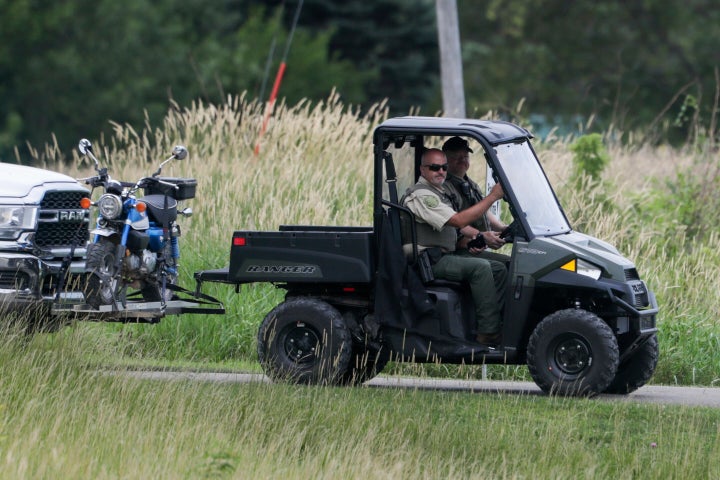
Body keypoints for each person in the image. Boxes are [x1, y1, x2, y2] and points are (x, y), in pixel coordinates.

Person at [402, 148, 507, 345]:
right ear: (422, 170)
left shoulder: (440, 193)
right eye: (434, 167)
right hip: (429, 260)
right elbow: (457, 220)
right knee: (481, 268)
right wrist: (492, 197)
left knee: (500, 268)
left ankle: (490, 323)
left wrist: (473, 240)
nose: (441, 171)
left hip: (444, 254)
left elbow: (450, 231)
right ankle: (488, 334)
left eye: (443, 167)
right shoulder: (423, 196)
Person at [442, 136, 510, 260]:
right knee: (502, 266)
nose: (462, 160)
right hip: (457, 248)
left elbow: (481, 209)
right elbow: (453, 222)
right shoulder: (443, 187)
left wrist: (501, 228)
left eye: (465, 156)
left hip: (474, 243)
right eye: (456, 157)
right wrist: (480, 237)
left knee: (510, 262)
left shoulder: (470, 183)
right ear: (445, 160)